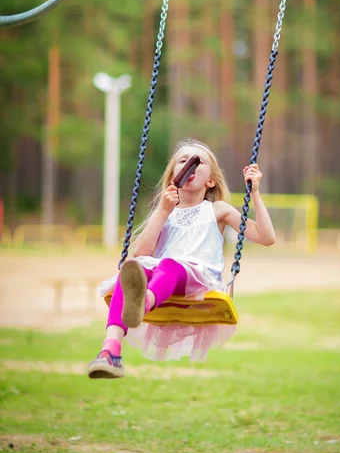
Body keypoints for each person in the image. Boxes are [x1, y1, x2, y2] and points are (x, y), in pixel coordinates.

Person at [88, 138, 275, 379]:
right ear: (174, 175)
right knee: (133, 269)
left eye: (197, 161)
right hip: (163, 281)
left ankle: (142, 303)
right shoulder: (166, 211)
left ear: (210, 180)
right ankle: (110, 350)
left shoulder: (218, 210)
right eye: (182, 161)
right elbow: (141, 253)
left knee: (171, 264)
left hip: (199, 280)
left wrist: (255, 193)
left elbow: (266, 237)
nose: (189, 164)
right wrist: (163, 210)